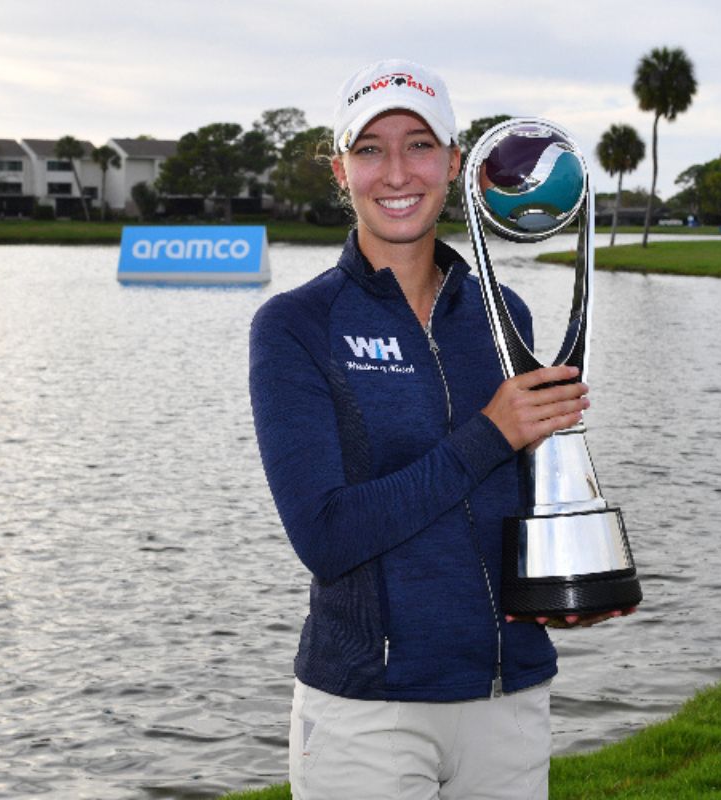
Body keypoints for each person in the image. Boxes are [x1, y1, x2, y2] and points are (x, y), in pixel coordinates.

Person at [249, 58, 630, 800]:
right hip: (368, 711)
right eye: (370, 150)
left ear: (456, 163)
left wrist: (573, 568)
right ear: (341, 171)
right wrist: (491, 433)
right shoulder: (296, 326)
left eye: (420, 145)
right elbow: (324, 534)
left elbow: (507, 503)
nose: (397, 172)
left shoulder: (505, 315)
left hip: (508, 696)